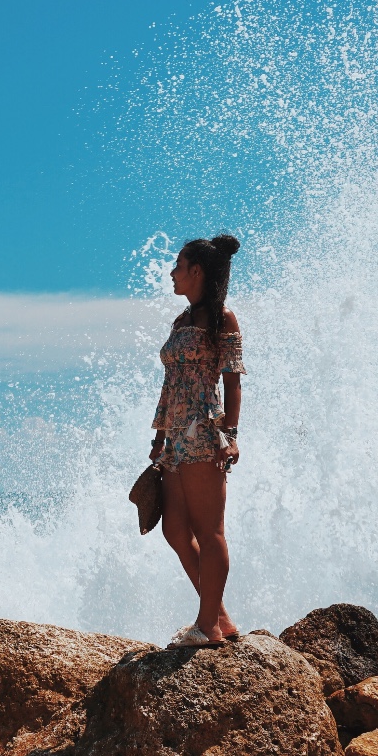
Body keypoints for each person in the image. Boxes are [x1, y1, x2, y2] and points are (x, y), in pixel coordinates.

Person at [150, 234, 244, 647]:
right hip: (175, 436)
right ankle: (219, 616)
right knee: (174, 529)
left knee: (210, 531)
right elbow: (170, 382)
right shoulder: (181, 323)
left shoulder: (223, 318)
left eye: (178, 265)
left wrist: (232, 434)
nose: (172, 273)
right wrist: (158, 435)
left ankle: (207, 627)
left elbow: (233, 378)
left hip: (205, 432)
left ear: (197, 271)